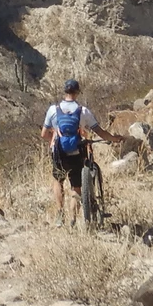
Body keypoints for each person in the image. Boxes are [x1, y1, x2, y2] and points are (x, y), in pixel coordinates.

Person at [41, 78, 112, 225]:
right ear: (77, 93)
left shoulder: (53, 110)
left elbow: (44, 134)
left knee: (58, 181)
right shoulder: (83, 111)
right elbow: (99, 131)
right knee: (76, 186)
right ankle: (73, 219)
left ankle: (60, 215)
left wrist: (53, 142)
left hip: (59, 153)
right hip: (77, 152)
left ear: (64, 92)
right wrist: (114, 138)